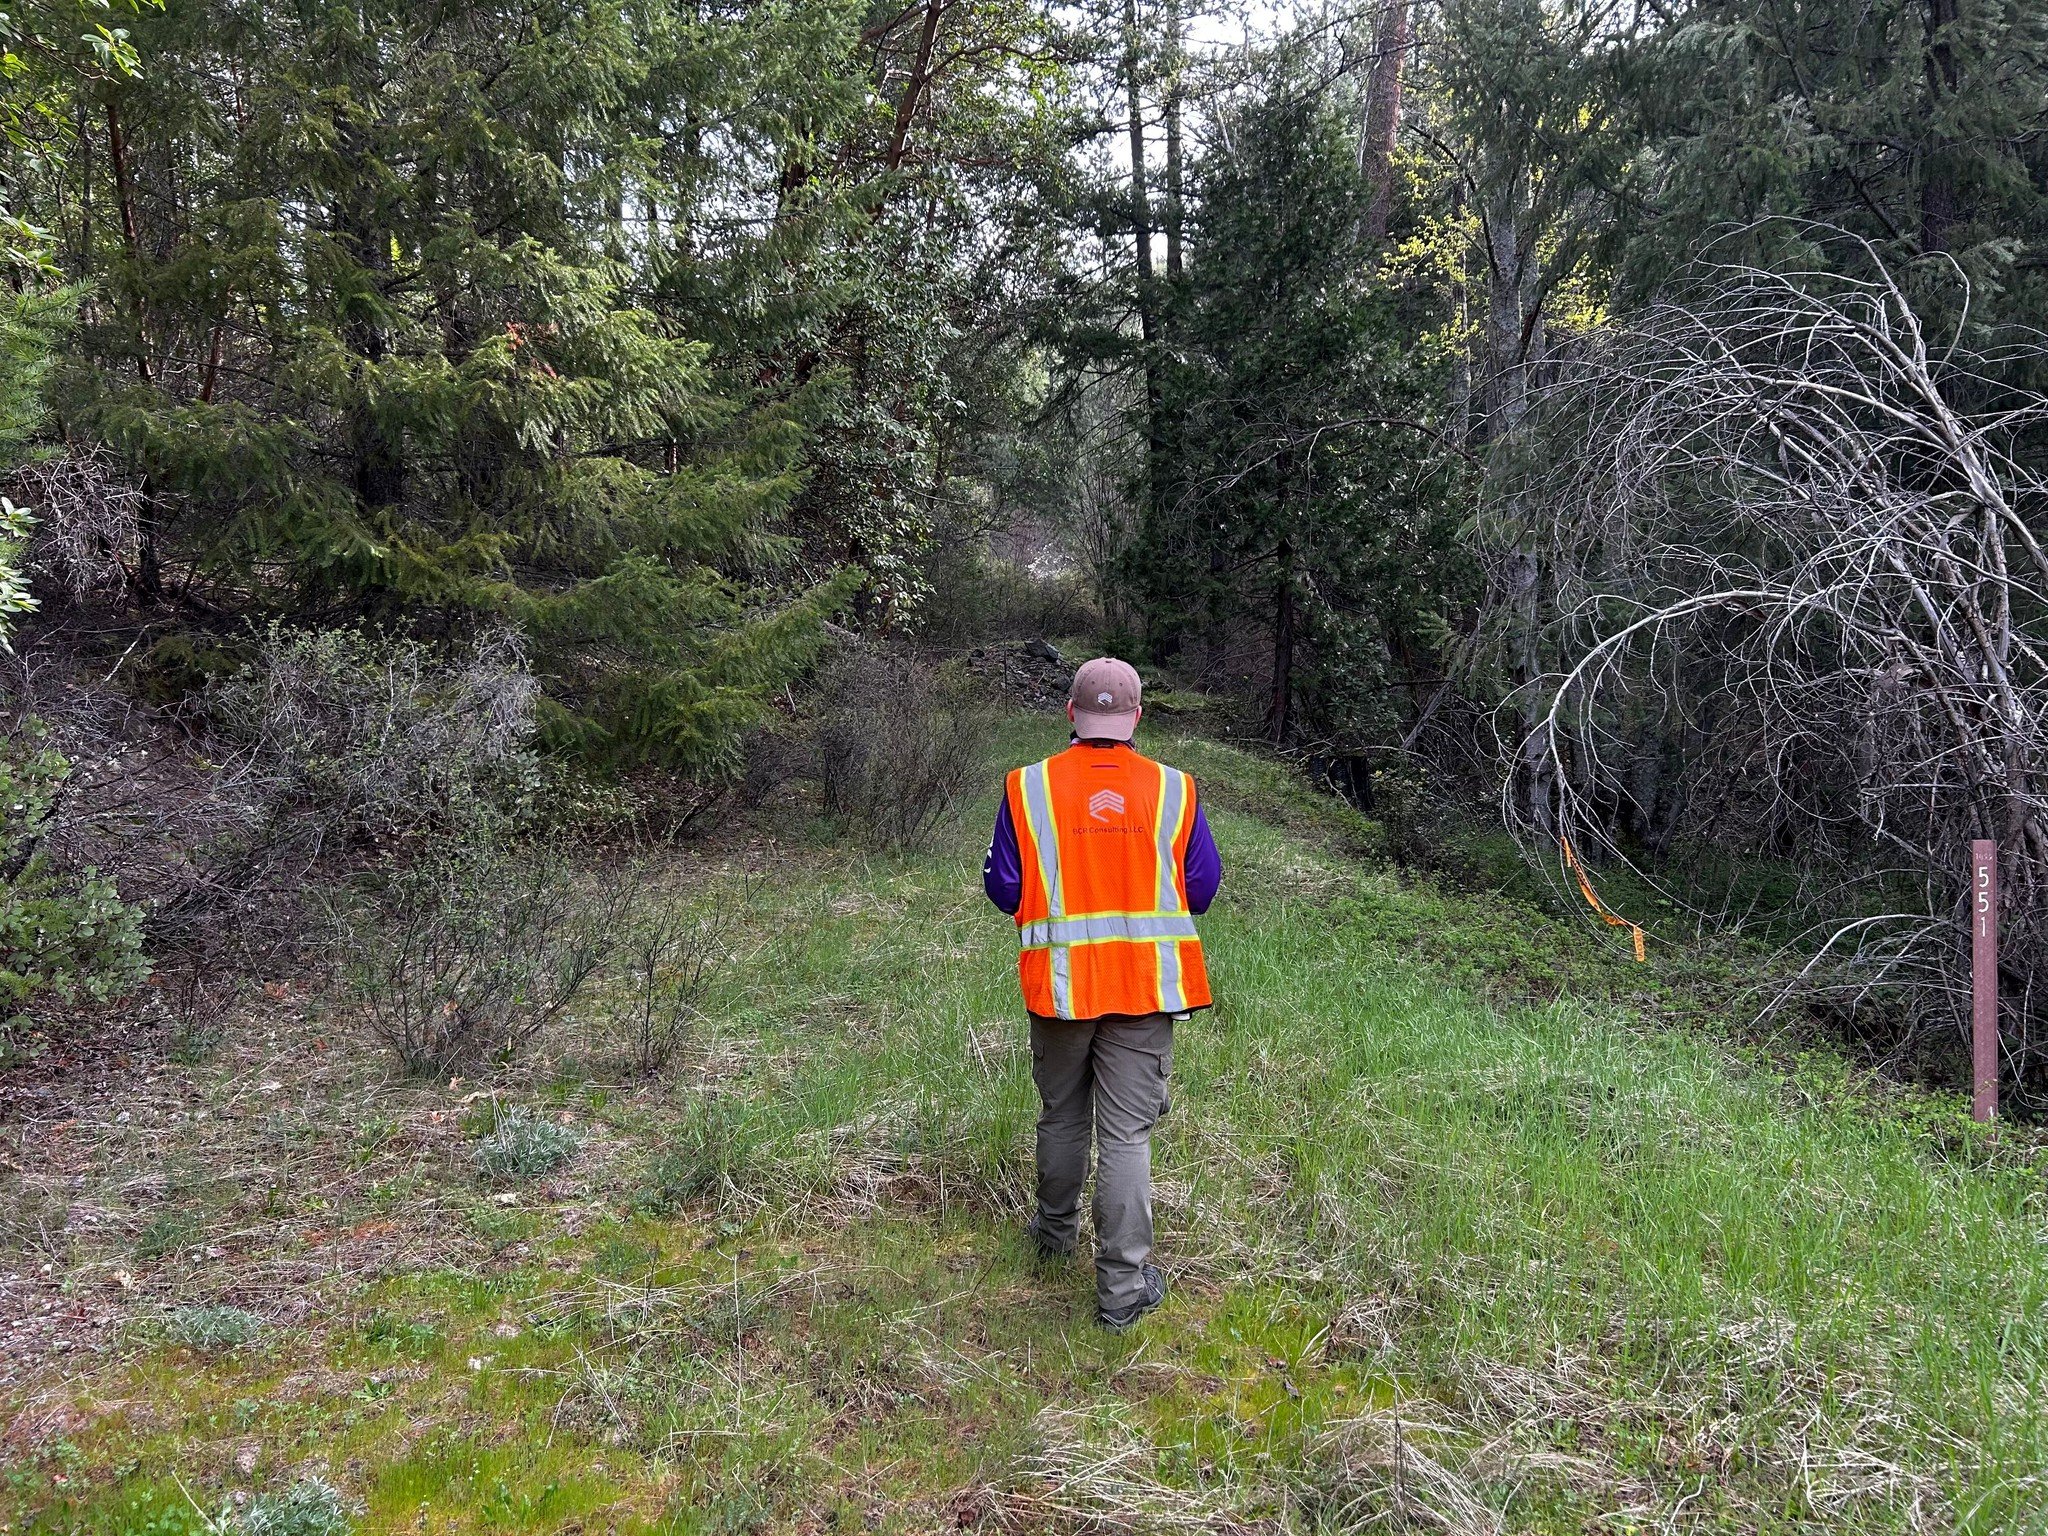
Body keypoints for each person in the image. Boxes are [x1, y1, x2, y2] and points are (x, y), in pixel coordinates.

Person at [982, 657, 1222, 1329]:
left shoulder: (1027, 786)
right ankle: (1121, 1291)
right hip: (1143, 990)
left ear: (1071, 713)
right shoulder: (1175, 789)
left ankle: (1053, 1237)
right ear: (1136, 717)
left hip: (1059, 989)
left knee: (1061, 1116)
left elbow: (1003, 888)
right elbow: (1202, 889)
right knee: (1126, 1137)